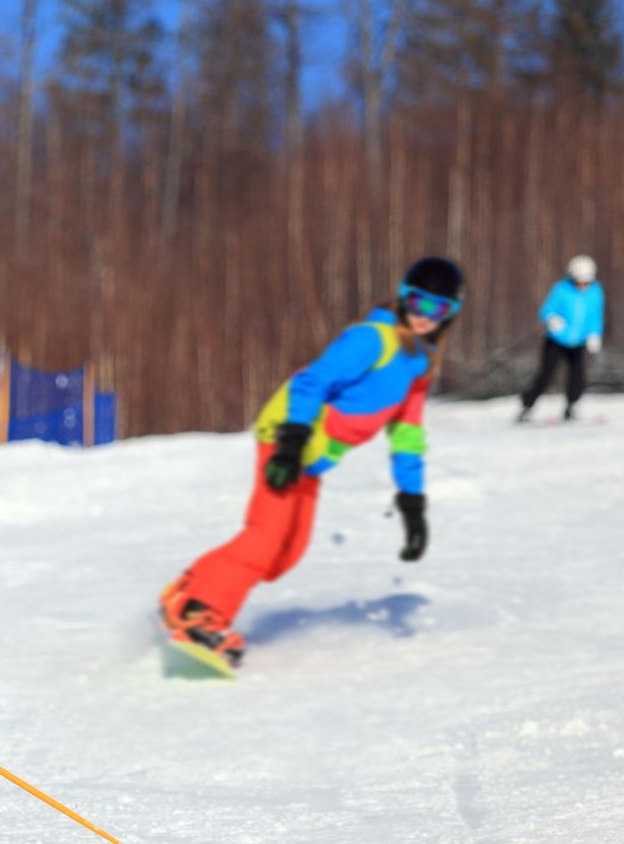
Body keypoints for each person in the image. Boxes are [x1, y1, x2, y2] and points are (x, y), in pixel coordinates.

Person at [158, 257, 463, 670]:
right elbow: (312, 380)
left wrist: (412, 502)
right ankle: (198, 612)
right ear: (403, 295)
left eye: (437, 309)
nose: (424, 316)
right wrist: (291, 440)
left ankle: (188, 591)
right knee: (266, 537)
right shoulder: (372, 339)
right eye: (417, 302)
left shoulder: (418, 363)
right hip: (289, 438)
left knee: (287, 551)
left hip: (311, 457)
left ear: (450, 314)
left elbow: (407, 433)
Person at [519, 254, 603, 422]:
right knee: (546, 374)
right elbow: (546, 309)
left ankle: (571, 407)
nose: (582, 284)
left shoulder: (596, 292)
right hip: (556, 340)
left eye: (586, 281)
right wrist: (552, 318)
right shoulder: (561, 289)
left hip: (579, 341)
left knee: (578, 376)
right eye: (579, 280)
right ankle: (527, 407)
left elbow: (596, 316)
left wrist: (595, 334)